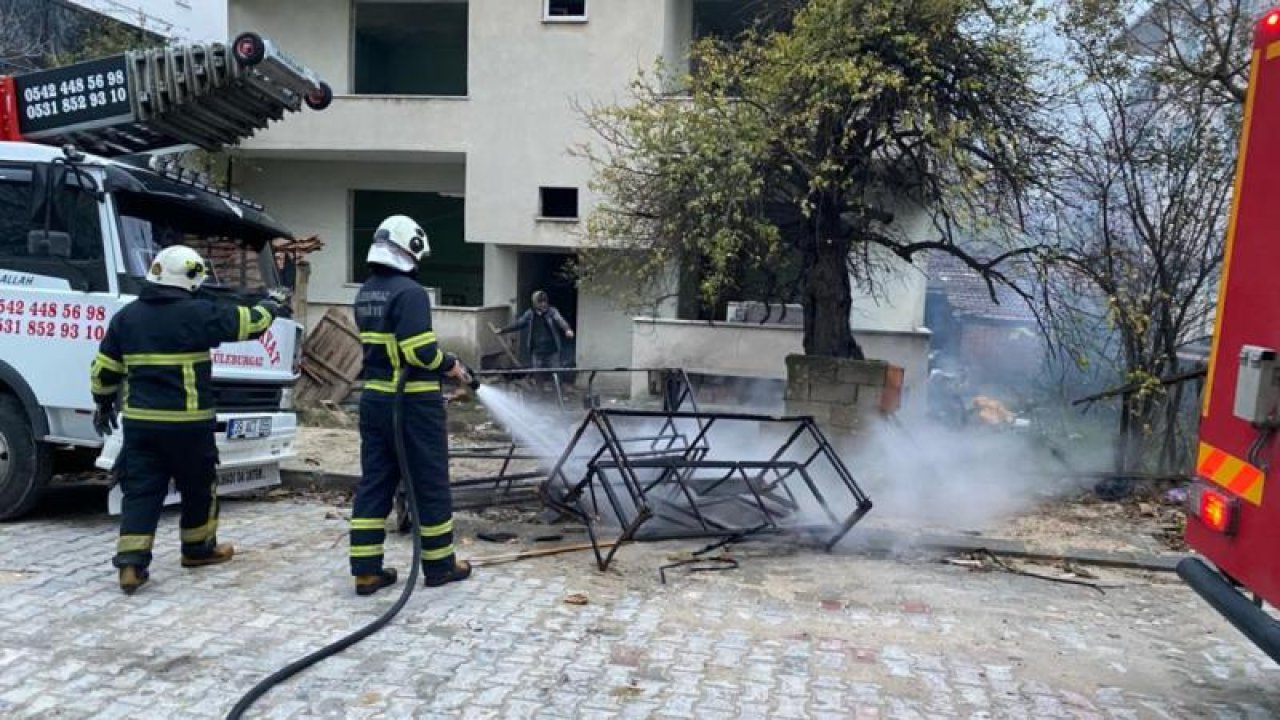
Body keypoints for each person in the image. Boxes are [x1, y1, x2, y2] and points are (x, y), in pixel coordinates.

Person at [89, 245, 290, 595]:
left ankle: (131, 563)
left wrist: (103, 403)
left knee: (142, 490)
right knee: (199, 486)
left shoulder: (126, 317)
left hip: (140, 424)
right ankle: (198, 549)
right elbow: (249, 324)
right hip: (188, 424)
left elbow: (104, 370)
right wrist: (271, 306)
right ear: (191, 277)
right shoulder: (198, 313)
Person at [348, 214, 472, 596]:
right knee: (429, 482)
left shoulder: (366, 291)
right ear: (411, 248)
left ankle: (366, 571)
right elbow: (419, 351)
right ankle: (440, 566)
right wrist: (450, 364)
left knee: (375, 481)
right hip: (412, 404)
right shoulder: (411, 292)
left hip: (374, 400)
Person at [497, 290, 575, 386]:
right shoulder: (530, 314)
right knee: (538, 374)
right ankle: (539, 395)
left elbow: (560, 320)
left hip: (552, 350)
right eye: (540, 302)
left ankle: (557, 394)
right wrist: (503, 330)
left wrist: (567, 329)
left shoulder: (552, 312)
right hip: (537, 351)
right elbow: (519, 324)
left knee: (556, 373)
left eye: (544, 301)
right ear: (535, 303)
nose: (543, 304)